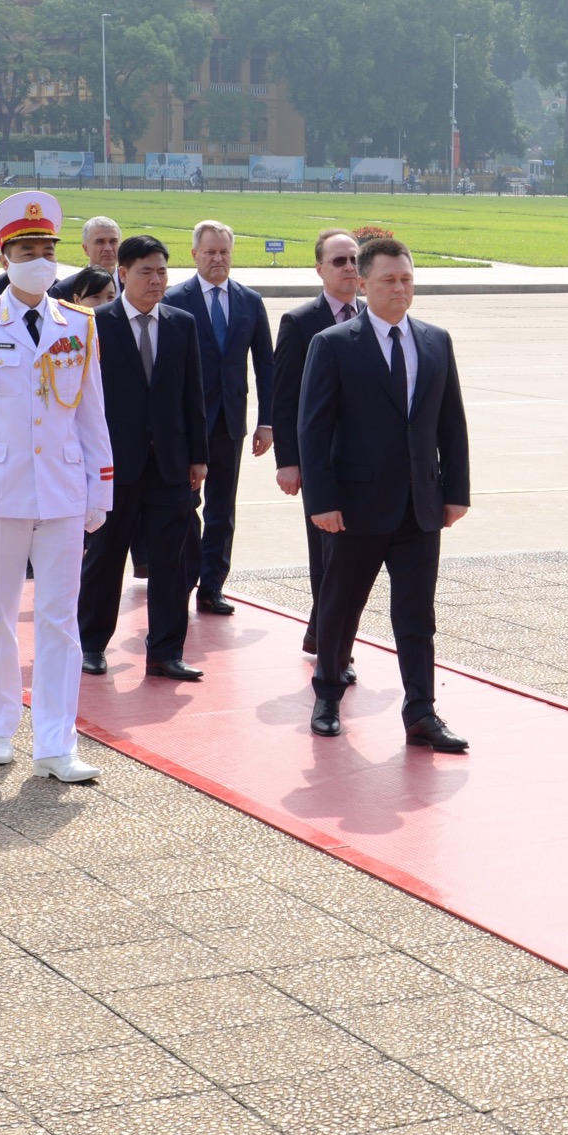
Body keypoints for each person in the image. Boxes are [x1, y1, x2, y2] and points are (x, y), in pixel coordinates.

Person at [0, 191, 113, 782]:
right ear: (5, 258)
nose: (40, 260)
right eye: (27, 251)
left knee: (62, 621)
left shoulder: (78, 324)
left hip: (61, 492)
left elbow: (91, 415)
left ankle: (57, 744)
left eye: (47, 250)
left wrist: (100, 488)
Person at [299, 236, 471, 753]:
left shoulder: (436, 341)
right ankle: (328, 695)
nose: (400, 288)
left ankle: (421, 712)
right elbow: (312, 428)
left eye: (407, 279)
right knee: (340, 607)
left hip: (420, 507)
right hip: (355, 508)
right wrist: (322, 502)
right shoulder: (333, 344)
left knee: (417, 616)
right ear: (363, 283)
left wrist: (456, 491)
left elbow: (451, 424)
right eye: (389, 280)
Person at [79, 235, 206, 683]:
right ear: (123, 274)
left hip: (170, 464)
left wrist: (198, 457)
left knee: (171, 563)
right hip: (114, 464)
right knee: (105, 557)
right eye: (145, 272)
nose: (156, 281)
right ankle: (91, 643)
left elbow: (194, 395)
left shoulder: (181, 323)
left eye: (162, 272)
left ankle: (166, 651)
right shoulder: (95, 324)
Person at [164, 220, 273, 615]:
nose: (217, 259)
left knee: (222, 508)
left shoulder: (249, 301)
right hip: (186, 426)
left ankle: (212, 585)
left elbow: (266, 365)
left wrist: (267, 422)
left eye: (224, 252)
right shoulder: (175, 299)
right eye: (209, 252)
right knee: (185, 504)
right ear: (194, 254)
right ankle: (183, 575)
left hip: (230, 422)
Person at [272, 229, 364, 685]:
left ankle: (323, 637)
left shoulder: (372, 317)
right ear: (320, 270)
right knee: (326, 560)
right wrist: (287, 460)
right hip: (319, 464)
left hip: (363, 465)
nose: (349, 267)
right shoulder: (300, 321)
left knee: (351, 561)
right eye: (339, 261)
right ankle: (334, 654)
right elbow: (284, 396)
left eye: (354, 260)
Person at [53, 215, 122, 302]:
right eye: (100, 242)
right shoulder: (64, 291)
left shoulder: (134, 285)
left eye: (113, 241)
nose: (108, 248)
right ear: (86, 249)